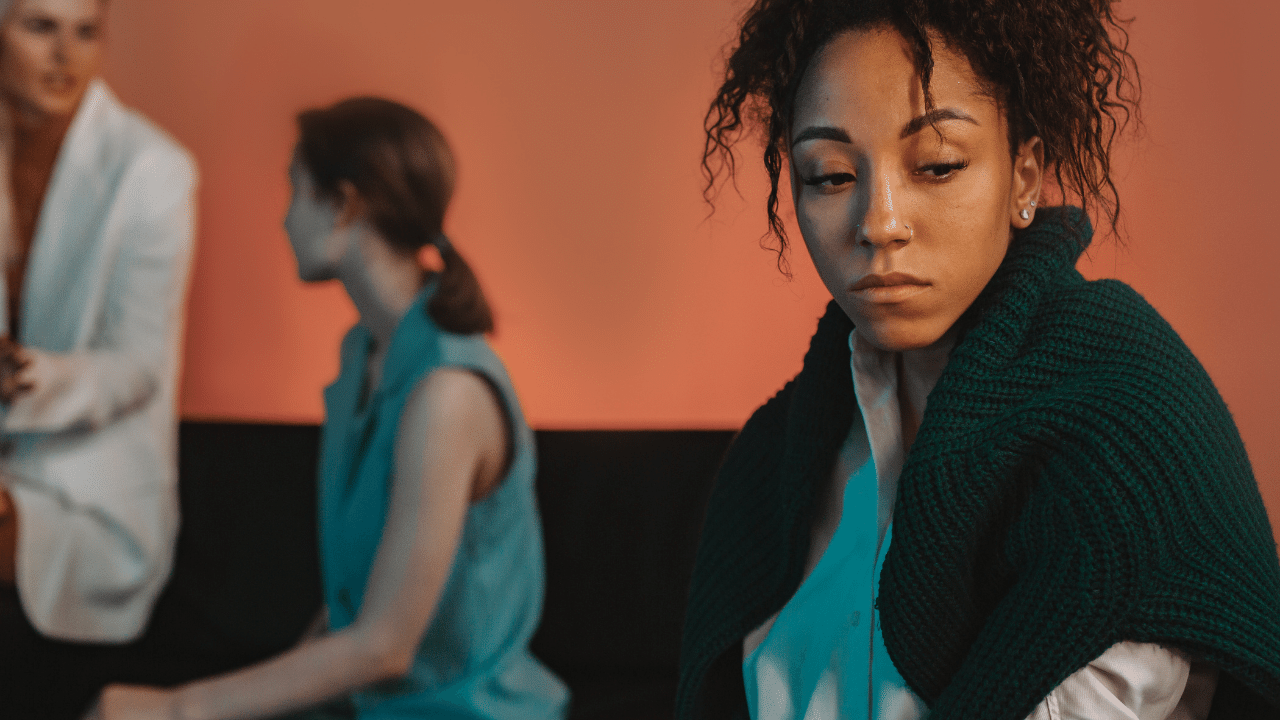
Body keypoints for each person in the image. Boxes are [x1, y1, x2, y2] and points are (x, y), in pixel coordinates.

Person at [677, 1, 1280, 719]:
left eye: (937, 164)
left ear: (1024, 176)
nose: (880, 223)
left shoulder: (1131, 421)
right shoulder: (771, 464)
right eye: (830, 175)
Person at [92, 96, 569, 720]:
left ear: (343, 204)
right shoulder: (363, 355)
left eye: (295, 193)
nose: (285, 220)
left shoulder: (447, 394)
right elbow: (356, 608)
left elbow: (383, 648)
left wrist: (177, 708)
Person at [0, 0, 195, 674]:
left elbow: (138, 365)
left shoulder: (154, 170)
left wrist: (24, 379)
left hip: (89, 491)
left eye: (86, 33)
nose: (66, 55)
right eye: (40, 28)